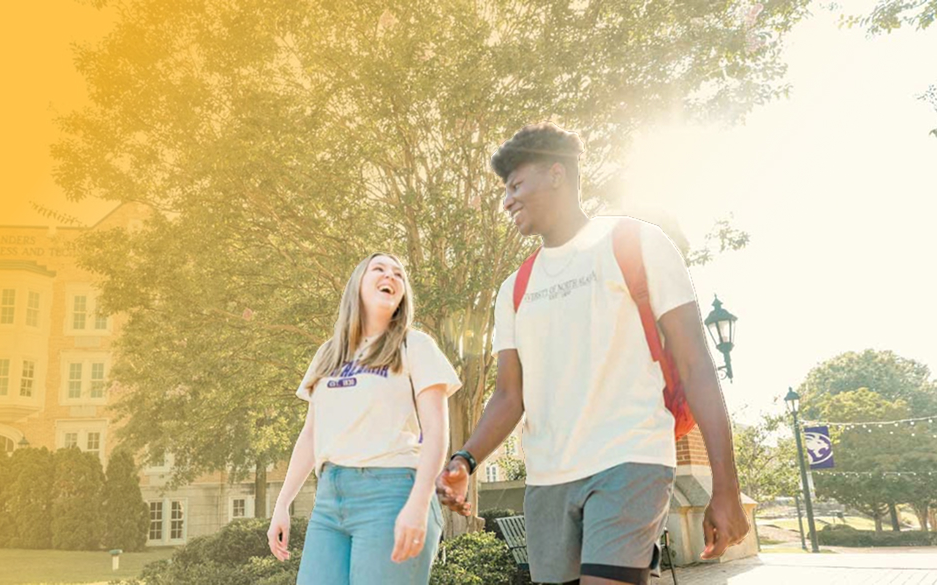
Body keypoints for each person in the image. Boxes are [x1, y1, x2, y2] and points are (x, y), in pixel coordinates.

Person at [436, 123, 749, 585]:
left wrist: (727, 485)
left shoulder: (638, 243)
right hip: (547, 480)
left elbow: (695, 364)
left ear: (557, 174)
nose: (507, 200)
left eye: (516, 185)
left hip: (631, 459)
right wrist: (464, 459)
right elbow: (508, 395)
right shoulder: (514, 290)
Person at [268, 252, 462, 585]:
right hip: (330, 499)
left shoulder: (415, 346)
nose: (391, 276)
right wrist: (282, 504)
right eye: (380, 269)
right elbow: (311, 435)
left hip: (393, 493)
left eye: (399, 274)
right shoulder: (329, 353)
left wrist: (417, 504)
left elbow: (436, 433)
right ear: (357, 283)